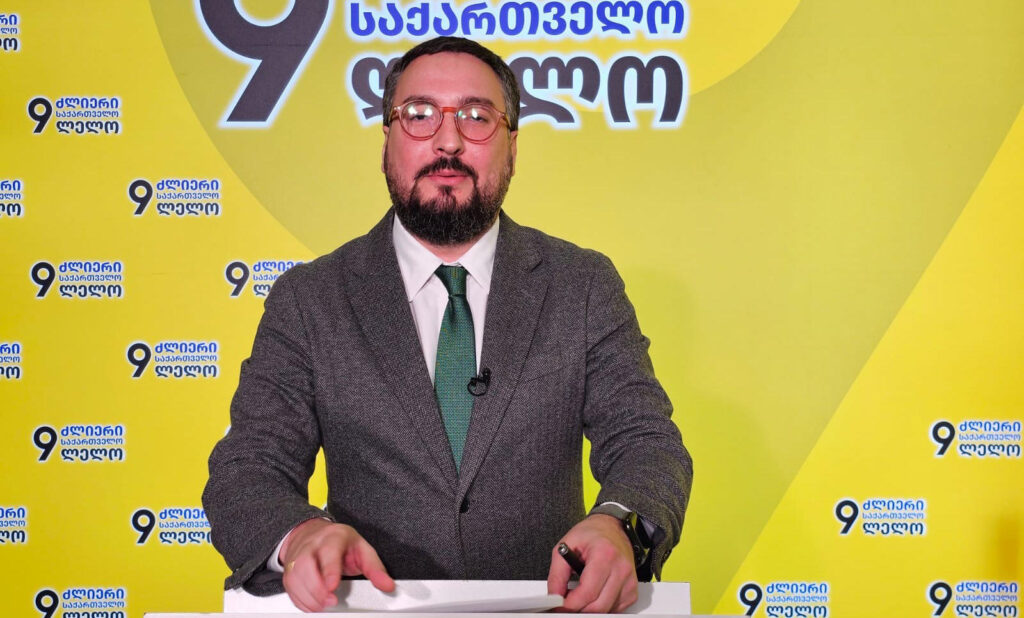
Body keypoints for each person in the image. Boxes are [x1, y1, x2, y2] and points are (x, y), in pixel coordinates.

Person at [203, 36, 693, 614]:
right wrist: (299, 535)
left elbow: (646, 442)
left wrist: (619, 524)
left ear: (513, 147)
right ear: (386, 141)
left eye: (476, 117)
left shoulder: (582, 285)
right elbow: (247, 468)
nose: (448, 141)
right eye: (419, 115)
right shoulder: (309, 300)